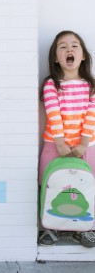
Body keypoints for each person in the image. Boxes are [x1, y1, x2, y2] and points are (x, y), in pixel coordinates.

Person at [38, 30, 95, 248]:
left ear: (83, 56)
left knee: (84, 186)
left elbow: (92, 115)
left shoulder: (91, 85)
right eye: (62, 47)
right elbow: (53, 113)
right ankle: (51, 228)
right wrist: (60, 142)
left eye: (74, 46)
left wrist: (82, 143)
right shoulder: (52, 84)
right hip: (55, 145)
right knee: (52, 184)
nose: (69, 49)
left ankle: (83, 228)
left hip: (86, 146)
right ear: (55, 57)